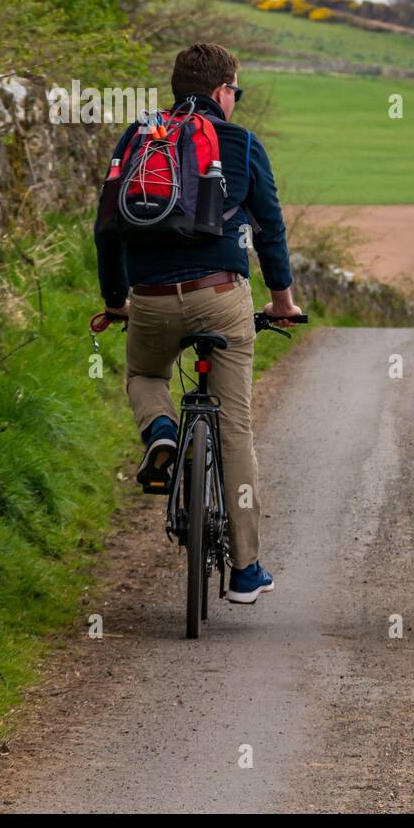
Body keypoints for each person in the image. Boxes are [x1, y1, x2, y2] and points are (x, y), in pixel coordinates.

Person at [94, 42, 302, 604]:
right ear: (220, 92)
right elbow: (270, 229)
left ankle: (161, 432)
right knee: (234, 427)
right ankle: (245, 570)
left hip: (152, 298)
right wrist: (282, 300)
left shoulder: (140, 137)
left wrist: (116, 301)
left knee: (146, 376)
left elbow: (107, 229)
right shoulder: (241, 143)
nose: (237, 100)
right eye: (236, 90)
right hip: (220, 297)